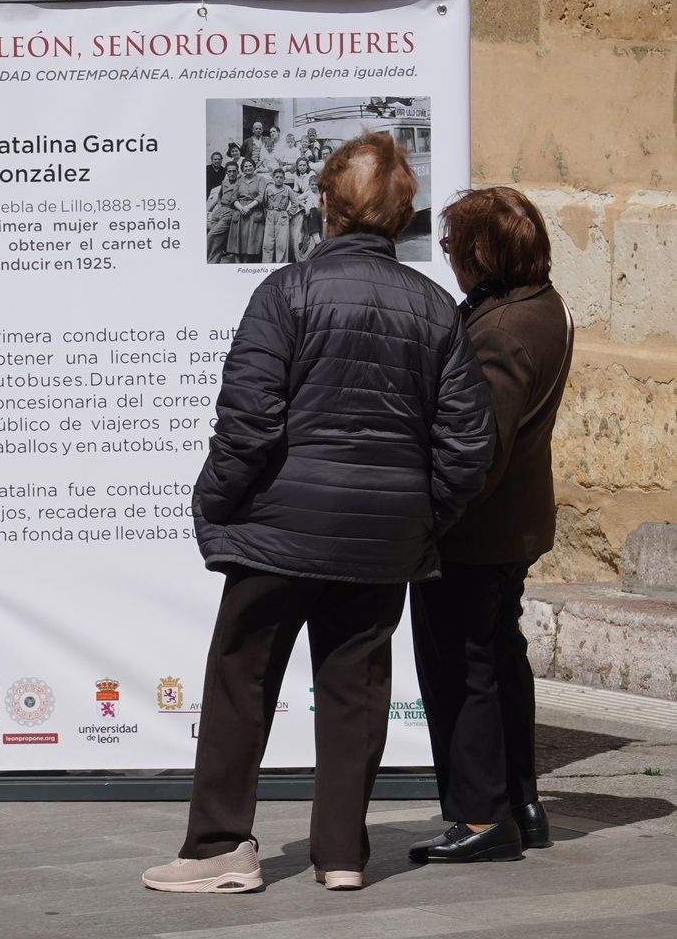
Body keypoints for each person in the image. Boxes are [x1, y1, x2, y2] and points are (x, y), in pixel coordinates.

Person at [141, 131, 494, 895]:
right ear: (400, 218)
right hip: (380, 539)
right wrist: (418, 516)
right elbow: (468, 444)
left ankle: (219, 848)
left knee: (242, 680)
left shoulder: (286, 292)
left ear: (327, 207)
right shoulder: (437, 309)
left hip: (278, 528)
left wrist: (215, 500)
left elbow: (248, 421)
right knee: (356, 690)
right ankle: (341, 854)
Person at [407, 188, 574, 865]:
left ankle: (479, 816)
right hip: (512, 526)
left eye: (451, 247)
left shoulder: (502, 329)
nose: (447, 259)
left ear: (480, 252)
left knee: (462, 665)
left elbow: (480, 445)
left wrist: (430, 519)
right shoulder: (541, 304)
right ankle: (520, 803)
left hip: (476, 531)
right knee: (499, 658)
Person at [226, 158, 264, 263]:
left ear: (254, 166)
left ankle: (246, 264)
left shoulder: (260, 179)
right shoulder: (239, 180)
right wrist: (241, 208)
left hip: (253, 209)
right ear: (242, 169)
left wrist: (249, 207)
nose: (248, 168)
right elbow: (233, 198)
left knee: (249, 241)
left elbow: (261, 196)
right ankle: (238, 264)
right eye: (245, 166)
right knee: (238, 241)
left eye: (250, 165)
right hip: (240, 210)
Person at [206, 163, 239, 263]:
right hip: (219, 211)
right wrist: (219, 206)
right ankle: (213, 262)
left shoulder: (240, 183)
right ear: (226, 172)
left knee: (212, 235)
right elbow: (220, 195)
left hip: (229, 212)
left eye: (234, 171)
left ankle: (209, 261)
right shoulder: (224, 182)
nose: (232, 173)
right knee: (218, 242)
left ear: (238, 171)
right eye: (229, 171)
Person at [260, 166, 292, 264]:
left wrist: (288, 214)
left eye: (281, 177)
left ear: (284, 178)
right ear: (273, 178)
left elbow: (295, 203)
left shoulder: (287, 189)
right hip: (270, 215)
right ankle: (266, 265)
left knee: (281, 243)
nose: (279, 179)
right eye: (277, 177)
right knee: (267, 243)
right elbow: (264, 203)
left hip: (282, 215)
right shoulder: (268, 189)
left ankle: (281, 265)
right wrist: (268, 214)